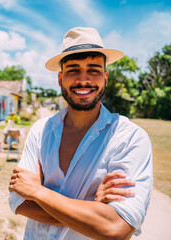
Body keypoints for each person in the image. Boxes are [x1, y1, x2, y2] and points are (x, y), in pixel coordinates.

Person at [8, 27, 153, 240]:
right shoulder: (41, 131)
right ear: (60, 78)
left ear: (105, 77)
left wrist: (38, 193)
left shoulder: (129, 138)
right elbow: (18, 201)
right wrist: (92, 209)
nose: (83, 80)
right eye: (73, 69)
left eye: (93, 70)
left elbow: (116, 228)